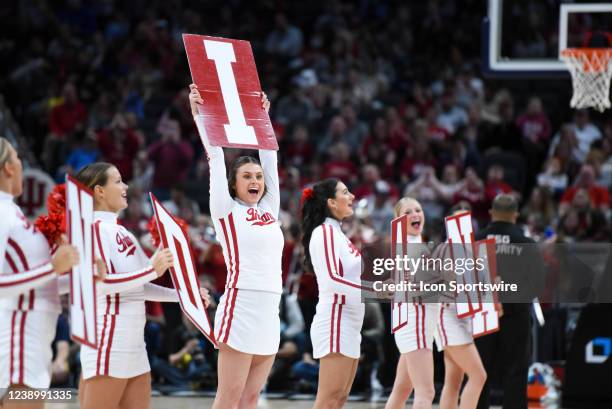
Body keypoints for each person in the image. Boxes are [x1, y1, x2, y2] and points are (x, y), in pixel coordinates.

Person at [74, 162, 211, 409]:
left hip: (135, 346)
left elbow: (139, 286)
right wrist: (151, 269)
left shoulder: (124, 233)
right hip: (108, 343)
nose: (125, 186)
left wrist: (185, 297)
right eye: (117, 181)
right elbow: (100, 284)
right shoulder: (91, 231)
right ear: (99, 191)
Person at [190, 84, 285, 409]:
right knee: (229, 398)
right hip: (241, 305)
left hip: (271, 309)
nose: (255, 179)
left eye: (257, 175)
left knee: (251, 398)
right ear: (234, 183)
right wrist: (200, 114)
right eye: (246, 175)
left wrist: (263, 118)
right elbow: (215, 157)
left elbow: (270, 158)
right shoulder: (226, 210)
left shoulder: (270, 208)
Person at [0, 137, 79, 409]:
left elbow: (42, 284)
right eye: (18, 157)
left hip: (35, 335)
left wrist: (80, 278)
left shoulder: (13, 212)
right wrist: (53, 267)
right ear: (9, 168)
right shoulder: (2, 213)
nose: (22, 164)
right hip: (19, 331)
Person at [301, 178, 367, 409]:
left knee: (338, 400)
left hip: (350, 323)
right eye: (346, 192)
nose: (352, 197)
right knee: (328, 400)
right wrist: (374, 291)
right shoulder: (324, 232)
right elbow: (331, 280)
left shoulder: (338, 233)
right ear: (331, 202)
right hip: (335, 321)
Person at [474, 194, 545, 409]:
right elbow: (537, 284)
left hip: (484, 316)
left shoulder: (477, 240)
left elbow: (467, 279)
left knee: (479, 373)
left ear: (491, 213)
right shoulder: (527, 243)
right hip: (516, 317)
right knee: (515, 371)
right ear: (515, 215)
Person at [385, 197, 437, 409]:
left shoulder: (416, 244)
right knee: (426, 392)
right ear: (398, 220)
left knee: (402, 390)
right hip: (415, 324)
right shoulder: (407, 247)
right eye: (408, 213)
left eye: (418, 209)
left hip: (416, 324)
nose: (415, 214)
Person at [434, 203, 487, 409]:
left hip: (464, 317)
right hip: (447, 316)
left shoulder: (474, 251)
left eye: (467, 219)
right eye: (459, 219)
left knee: (454, 382)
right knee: (478, 376)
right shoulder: (444, 249)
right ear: (450, 224)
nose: (464, 224)